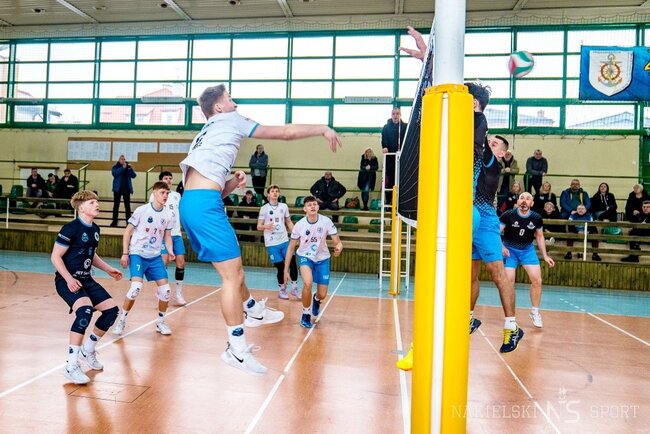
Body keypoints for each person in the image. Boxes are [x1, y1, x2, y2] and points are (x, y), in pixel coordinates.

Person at [178, 84, 341, 376]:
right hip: (203, 206)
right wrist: (322, 128)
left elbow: (210, 189)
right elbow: (285, 133)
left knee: (235, 271)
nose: (235, 103)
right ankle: (236, 349)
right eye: (229, 99)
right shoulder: (231, 119)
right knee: (232, 277)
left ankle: (252, 308)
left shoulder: (203, 135)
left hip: (194, 203)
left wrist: (233, 182)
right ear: (218, 107)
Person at [51, 190, 122, 384]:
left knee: (111, 311)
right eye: (92, 202)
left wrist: (108, 269)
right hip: (67, 280)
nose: (96, 205)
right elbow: (55, 257)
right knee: (85, 312)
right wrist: (68, 279)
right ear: (81, 207)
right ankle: (71, 365)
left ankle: (87, 350)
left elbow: (91, 254)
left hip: (86, 279)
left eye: (96, 202)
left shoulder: (95, 229)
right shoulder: (70, 228)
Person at [470, 133, 523, 353]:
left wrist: (476, 115)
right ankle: (469, 318)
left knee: (497, 273)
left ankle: (512, 326)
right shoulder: (475, 160)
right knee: (470, 275)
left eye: (494, 144)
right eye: (489, 142)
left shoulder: (492, 163)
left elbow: (478, 135)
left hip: (485, 222)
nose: (489, 145)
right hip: (468, 218)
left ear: (502, 153)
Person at [112, 181, 175, 336]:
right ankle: (121, 320)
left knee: (166, 291)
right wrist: (125, 253)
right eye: (162, 192)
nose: (165, 196)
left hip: (155, 256)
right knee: (136, 288)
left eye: (167, 193)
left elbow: (167, 237)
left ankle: (160, 322)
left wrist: (170, 251)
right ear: (154, 192)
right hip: (138, 254)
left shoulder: (168, 214)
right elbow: (127, 232)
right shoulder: (142, 210)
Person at [285, 196, 343, 329]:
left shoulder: (326, 221)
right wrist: (285, 269)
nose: (312, 206)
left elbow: (338, 242)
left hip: (323, 258)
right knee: (308, 283)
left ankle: (316, 299)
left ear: (318, 207)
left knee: (322, 294)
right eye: (309, 205)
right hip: (305, 257)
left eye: (314, 204)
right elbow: (291, 248)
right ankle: (305, 314)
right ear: (304, 209)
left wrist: (339, 248)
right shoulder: (299, 225)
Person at [500, 192, 555, 328]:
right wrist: (501, 247)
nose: (524, 201)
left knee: (537, 280)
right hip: (509, 250)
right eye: (522, 198)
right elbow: (496, 232)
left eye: (528, 198)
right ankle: (510, 317)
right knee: (509, 282)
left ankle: (535, 312)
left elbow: (540, 236)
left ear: (532, 203)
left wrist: (545, 255)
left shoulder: (536, 218)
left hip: (527, 250)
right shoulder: (508, 215)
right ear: (518, 201)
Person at [150, 171, 187, 305]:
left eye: (170, 178)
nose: (169, 180)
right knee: (164, 261)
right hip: (163, 234)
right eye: (166, 178)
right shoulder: (155, 195)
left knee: (181, 262)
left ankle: (178, 294)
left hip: (176, 234)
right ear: (161, 181)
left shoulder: (177, 195)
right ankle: (162, 289)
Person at [257, 184, 299, 299]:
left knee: (292, 263)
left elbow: (288, 222)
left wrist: (296, 234)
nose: (275, 193)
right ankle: (282, 290)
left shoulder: (284, 206)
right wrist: (266, 226)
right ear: (268, 194)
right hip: (271, 243)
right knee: (280, 267)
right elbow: (259, 226)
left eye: (276, 191)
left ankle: (294, 288)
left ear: (279, 193)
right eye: (272, 191)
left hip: (284, 240)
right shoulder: (264, 208)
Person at [381, 108, 407, 205]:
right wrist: (385, 147)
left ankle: (401, 203)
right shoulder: (386, 127)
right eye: (393, 114)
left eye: (397, 113)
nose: (395, 116)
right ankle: (389, 202)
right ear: (391, 115)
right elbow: (384, 139)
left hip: (402, 158)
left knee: (402, 180)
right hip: (390, 158)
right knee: (390, 181)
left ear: (400, 115)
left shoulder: (405, 127)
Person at [110, 155, 136, 227]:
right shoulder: (116, 166)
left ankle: (128, 221)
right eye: (121, 159)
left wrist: (130, 169)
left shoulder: (128, 167)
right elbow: (114, 173)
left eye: (124, 159)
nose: (123, 160)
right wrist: (123, 168)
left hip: (126, 189)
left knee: (127, 206)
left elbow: (133, 176)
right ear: (119, 160)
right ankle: (114, 221)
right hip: (117, 189)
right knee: (116, 206)